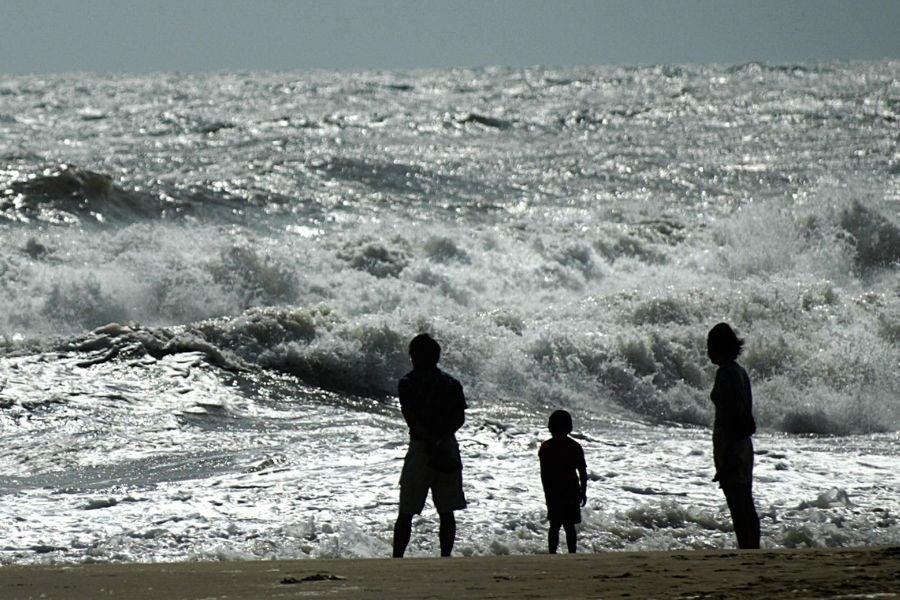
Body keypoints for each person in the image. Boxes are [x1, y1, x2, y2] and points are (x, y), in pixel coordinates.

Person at [392, 333, 467, 558]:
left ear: (415, 356)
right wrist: (442, 439)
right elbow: (459, 418)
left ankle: (398, 557)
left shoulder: (407, 383)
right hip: (447, 446)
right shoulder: (452, 383)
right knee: (446, 509)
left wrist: (430, 440)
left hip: (421, 448)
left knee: (406, 510)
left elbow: (411, 418)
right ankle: (445, 556)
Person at [707, 322, 761, 549]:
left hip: (732, 444)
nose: (707, 352)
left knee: (738, 503)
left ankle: (748, 548)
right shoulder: (739, 371)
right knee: (744, 501)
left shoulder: (725, 374)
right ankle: (751, 547)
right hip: (742, 444)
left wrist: (727, 456)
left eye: (710, 346)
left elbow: (731, 415)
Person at [539, 409, 588, 554]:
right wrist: (583, 491)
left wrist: (547, 493)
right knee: (569, 526)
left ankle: (552, 554)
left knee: (555, 525)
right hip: (571, 490)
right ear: (569, 427)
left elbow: (544, 475)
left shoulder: (546, 447)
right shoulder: (574, 446)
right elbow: (583, 472)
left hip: (554, 491)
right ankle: (572, 553)